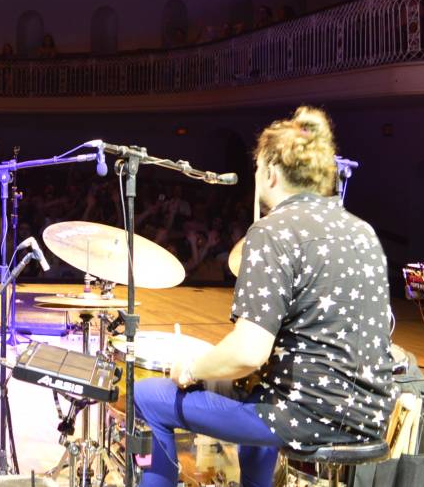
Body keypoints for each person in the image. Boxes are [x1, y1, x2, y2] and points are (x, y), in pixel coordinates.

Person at [132, 106, 396, 487]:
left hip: (306, 417)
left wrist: (192, 368)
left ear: (271, 173)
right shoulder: (363, 231)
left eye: (257, 169)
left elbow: (248, 353)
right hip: (371, 415)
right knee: (257, 391)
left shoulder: (273, 231)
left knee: (147, 396)